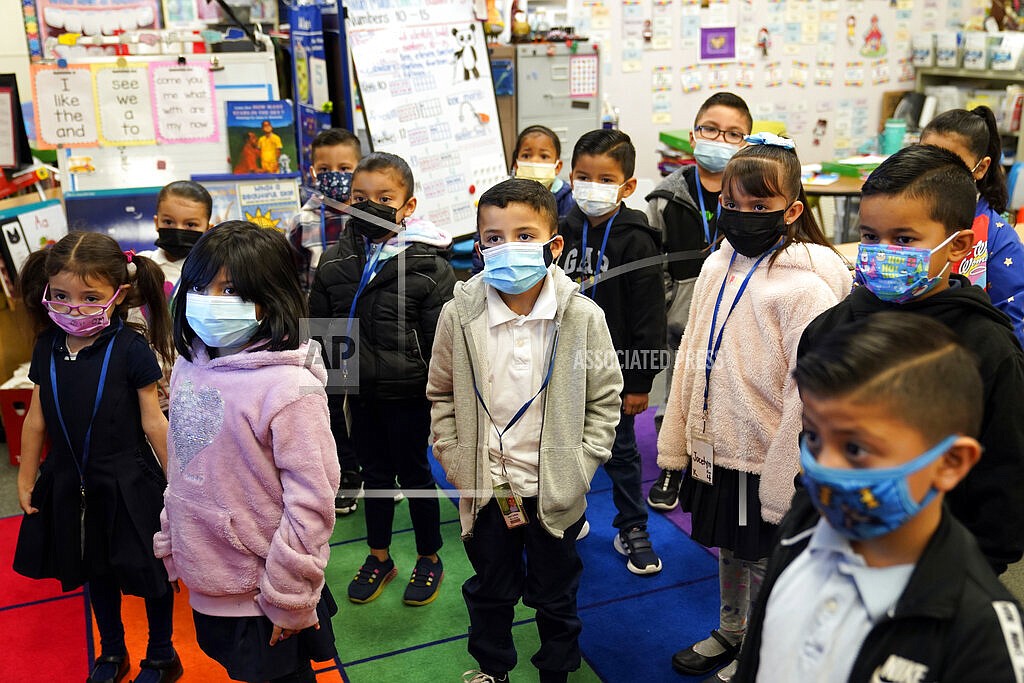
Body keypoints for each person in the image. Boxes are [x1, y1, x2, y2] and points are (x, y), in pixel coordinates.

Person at [734, 313, 1024, 682]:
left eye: (855, 448)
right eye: (814, 438)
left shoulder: (981, 635)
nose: (824, 468)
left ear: (950, 462)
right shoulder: (803, 525)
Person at [658, 134, 851, 683]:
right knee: (730, 551)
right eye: (732, 204)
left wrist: (782, 471)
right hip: (718, 446)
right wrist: (681, 436)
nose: (742, 217)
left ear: (792, 210)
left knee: (767, 558)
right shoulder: (718, 267)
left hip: (767, 457)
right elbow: (694, 351)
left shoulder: (807, 290)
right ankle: (732, 630)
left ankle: (765, 650)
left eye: (759, 207)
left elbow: (809, 391)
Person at [427, 178, 622, 683]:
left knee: (557, 594)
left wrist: (580, 467)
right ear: (478, 246)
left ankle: (556, 669)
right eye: (492, 238)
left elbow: (604, 399)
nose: (506, 247)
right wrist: (454, 459)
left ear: (553, 247)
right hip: (489, 488)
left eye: (523, 235)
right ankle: (493, 668)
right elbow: (441, 393)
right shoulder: (458, 314)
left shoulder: (582, 317)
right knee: (490, 588)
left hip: (554, 489)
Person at [799, 144, 1024, 576]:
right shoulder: (828, 330)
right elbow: (810, 442)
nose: (881, 252)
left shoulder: (987, 349)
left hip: (939, 566)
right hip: (832, 545)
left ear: (958, 246)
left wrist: (969, 574)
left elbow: (1004, 481)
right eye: (869, 237)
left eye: (903, 239)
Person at [154, 222, 339, 683]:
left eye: (231, 288)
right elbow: (182, 464)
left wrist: (288, 592)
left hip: (265, 588)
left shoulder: (290, 389)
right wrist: (173, 540)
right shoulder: (189, 366)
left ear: (270, 296)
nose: (210, 299)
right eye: (200, 286)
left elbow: (312, 502)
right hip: (207, 575)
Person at [14, 232, 180, 683]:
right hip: (70, 480)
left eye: (90, 298)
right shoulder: (47, 346)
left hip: (128, 480)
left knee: (148, 571)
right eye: (62, 296)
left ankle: (162, 653)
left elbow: (154, 423)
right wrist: (27, 477)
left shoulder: (129, 348)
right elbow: (35, 418)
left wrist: (182, 487)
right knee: (95, 569)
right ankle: (111, 652)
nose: (73, 308)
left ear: (118, 295)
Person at [309, 152, 456, 606]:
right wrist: (329, 396)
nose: (369, 205)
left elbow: (442, 344)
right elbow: (321, 331)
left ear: (408, 206)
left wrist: (440, 399)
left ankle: (429, 557)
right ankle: (380, 556)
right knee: (372, 477)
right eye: (359, 197)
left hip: (410, 396)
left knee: (414, 476)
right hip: (359, 398)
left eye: (384, 198)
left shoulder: (430, 265)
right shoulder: (333, 262)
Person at [555, 128, 667, 575]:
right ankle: (568, 516)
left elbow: (649, 318)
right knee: (562, 448)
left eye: (605, 179)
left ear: (627, 187)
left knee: (620, 453)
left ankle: (632, 526)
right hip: (560, 368)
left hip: (613, 373)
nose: (592, 187)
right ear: (569, 175)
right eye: (583, 176)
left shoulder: (637, 241)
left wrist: (640, 382)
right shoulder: (558, 232)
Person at [645, 92, 754, 511]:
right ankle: (672, 467)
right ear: (693, 136)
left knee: (727, 395)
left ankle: (716, 469)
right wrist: (673, 308)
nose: (719, 139)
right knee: (678, 392)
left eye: (732, 133)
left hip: (738, 317)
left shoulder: (753, 196)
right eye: (710, 129)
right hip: (682, 320)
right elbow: (656, 268)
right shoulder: (665, 198)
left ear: (745, 143)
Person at [920, 105, 1024, 344]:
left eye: (949, 163)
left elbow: (1013, 322)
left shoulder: (997, 237)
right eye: (926, 157)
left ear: (982, 167)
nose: (933, 173)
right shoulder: (906, 220)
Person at [470, 125, 576, 274]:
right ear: (516, 163)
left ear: (557, 166)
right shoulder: (499, 199)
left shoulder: (568, 201)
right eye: (526, 156)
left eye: (544, 156)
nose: (535, 162)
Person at [288, 128, 363, 293]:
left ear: (360, 170)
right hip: (320, 317)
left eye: (344, 169)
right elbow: (294, 284)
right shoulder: (302, 222)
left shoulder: (371, 218)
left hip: (367, 315)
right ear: (313, 173)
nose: (334, 175)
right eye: (324, 169)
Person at [138, 180, 213, 299]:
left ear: (208, 229)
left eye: (190, 224)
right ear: (157, 223)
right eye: (168, 222)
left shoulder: (213, 273)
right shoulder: (139, 265)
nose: (178, 231)